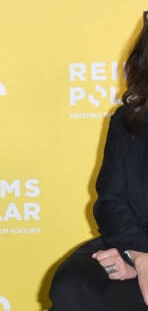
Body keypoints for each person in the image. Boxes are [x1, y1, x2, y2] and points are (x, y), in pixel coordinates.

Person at [49, 19, 148, 309]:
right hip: (136, 243)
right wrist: (139, 256)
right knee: (74, 286)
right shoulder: (129, 121)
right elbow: (111, 202)